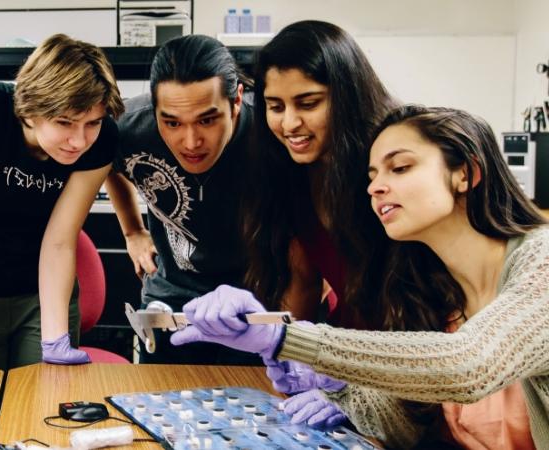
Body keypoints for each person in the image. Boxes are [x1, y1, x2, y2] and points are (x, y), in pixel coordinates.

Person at [170, 105, 549, 449]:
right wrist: (339, 386)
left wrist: (289, 338)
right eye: (373, 175)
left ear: (465, 173)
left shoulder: (541, 261)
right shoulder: (432, 291)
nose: (375, 186)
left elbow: (469, 366)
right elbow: (410, 429)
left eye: (399, 168)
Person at [0, 34, 124, 369]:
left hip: (42, 295)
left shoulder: (103, 139)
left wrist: (54, 340)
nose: (79, 140)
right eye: (64, 122)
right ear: (32, 108)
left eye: (92, 123)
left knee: (45, 401)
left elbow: (60, 240)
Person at [104, 34, 258, 364]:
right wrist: (132, 231)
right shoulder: (130, 125)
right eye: (171, 122)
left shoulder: (271, 131)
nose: (191, 142)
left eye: (207, 119)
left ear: (236, 101)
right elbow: (108, 165)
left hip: (255, 301)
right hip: (171, 298)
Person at [243, 20, 395, 325]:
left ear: (348, 96)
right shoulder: (289, 177)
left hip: (415, 348)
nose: (289, 124)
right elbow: (300, 283)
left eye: (308, 104)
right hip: (344, 348)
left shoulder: (391, 165)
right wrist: (282, 359)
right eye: (275, 107)